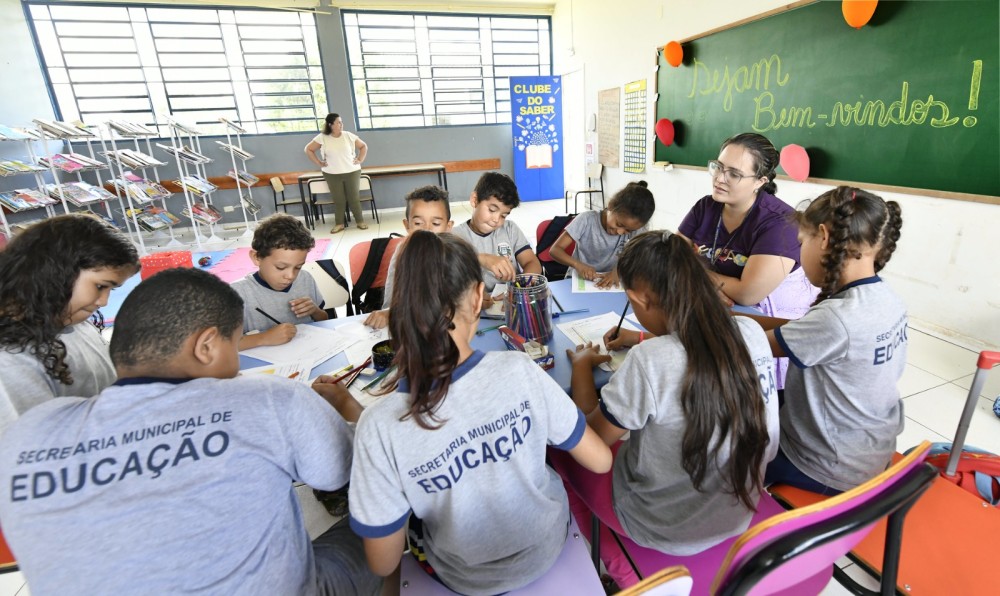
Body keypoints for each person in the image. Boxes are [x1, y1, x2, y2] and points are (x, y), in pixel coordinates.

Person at [0, 268, 380, 595]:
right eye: (234, 346)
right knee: (386, 513)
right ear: (207, 345)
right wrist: (347, 408)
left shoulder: (28, 435)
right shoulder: (270, 398)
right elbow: (350, 470)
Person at [340, 231, 612, 594]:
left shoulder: (377, 426)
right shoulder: (521, 369)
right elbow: (600, 461)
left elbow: (384, 562)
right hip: (548, 544)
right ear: (479, 297)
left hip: (464, 576)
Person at [553, 230, 779, 589]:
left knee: (560, 447)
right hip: (739, 512)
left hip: (659, 527)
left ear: (637, 298)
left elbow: (592, 439)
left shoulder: (650, 361)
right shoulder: (750, 332)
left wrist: (582, 366)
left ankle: (595, 555)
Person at [754, 186, 906, 495]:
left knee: (719, 444)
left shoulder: (836, 318)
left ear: (823, 237)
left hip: (824, 466)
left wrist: (648, 335)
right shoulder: (884, 298)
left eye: (801, 241)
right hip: (866, 450)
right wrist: (736, 318)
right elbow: (800, 331)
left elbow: (748, 347)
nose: (799, 250)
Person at [677, 132, 816, 388]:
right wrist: (713, 284)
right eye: (718, 167)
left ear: (760, 181)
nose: (720, 178)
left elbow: (748, 293)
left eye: (734, 173)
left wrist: (701, 277)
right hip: (717, 314)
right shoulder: (705, 207)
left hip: (764, 328)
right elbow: (674, 257)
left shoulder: (780, 223)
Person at [0, 214, 139, 436]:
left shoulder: (71, 320)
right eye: (101, 286)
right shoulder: (9, 364)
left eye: (111, 289)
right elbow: (23, 447)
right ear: (56, 274)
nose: (104, 301)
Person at [231, 213, 328, 350]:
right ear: (257, 257)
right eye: (281, 267)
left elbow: (324, 320)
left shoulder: (305, 279)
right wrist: (263, 338)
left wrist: (315, 311)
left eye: (298, 267)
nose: (290, 276)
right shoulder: (238, 294)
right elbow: (218, 345)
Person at [363, 184, 454, 330]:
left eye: (436, 223)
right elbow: (391, 303)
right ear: (407, 226)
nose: (427, 231)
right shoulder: (402, 254)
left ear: (448, 227)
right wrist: (388, 313)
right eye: (418, 223)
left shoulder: (456, 254)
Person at [452, 171, 542, 307]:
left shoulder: (510, 229)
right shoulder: (456, 236)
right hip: (475, 308)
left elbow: (532, 262)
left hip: (514, 304)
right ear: (474, 200)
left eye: (504, 215)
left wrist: (519, 291)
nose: (496, 220)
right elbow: (444, 270)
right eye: (492, 210)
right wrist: (481, 258)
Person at [549, 180, 655, 287]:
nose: (620, 232)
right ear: (611, 206)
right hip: (577, 280)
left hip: (610, 281)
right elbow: (555, 250)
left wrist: (617, 271)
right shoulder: (586, 220)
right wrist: (577, 264)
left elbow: (640, 258)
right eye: (618, 224)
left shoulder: (636, 229)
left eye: (628, 231)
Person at [304, 112, 369, 234]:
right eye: (338, 122)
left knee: (353, 198)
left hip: (352, 171)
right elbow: (308, 149)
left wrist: (360, 159)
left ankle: (360, 221)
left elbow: (363, 146)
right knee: (339, 199)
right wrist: (319, 162)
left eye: (341, 122)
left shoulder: (348, 135)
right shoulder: (322, 137)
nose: (341, 124)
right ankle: (339, 224)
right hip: (332, 174)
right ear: (330, 125)